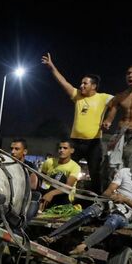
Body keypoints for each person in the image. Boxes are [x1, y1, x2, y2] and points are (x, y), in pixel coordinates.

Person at [39, 149, 132, 256]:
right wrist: (108, 196)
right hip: (109, 204)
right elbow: (109, 190)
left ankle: (83, 246)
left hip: (126, 213)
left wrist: (124, 199)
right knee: (89, 212)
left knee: (114, 220)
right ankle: (52, 237)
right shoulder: (125, 172)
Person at [41, 53, 112, 195]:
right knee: (66, 168)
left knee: (96, 173)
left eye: (85, 83)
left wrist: (109, 119)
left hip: (94, 143)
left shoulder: (104, 97)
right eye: (81, 83)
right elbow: (64, 83)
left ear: (94, 86)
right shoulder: (78, 96)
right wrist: (51, 67)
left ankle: (98, 202)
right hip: (75, 143)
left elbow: (119, 102)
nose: (81, 85)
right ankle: (60, 196)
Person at [39, 140, 82, 209]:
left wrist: (51, 194)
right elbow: (40, 178)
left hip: (63, 197)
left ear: (72, 150)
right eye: (60, 148)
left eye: (65, 148)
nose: (61, 150)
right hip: (46, 194)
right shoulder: (49, 162)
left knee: (61, 176)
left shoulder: (75, 167)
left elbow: (68, 187)